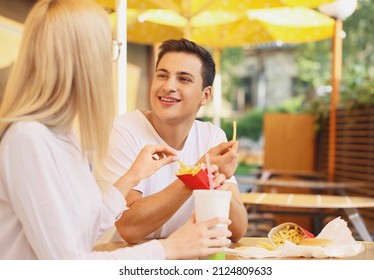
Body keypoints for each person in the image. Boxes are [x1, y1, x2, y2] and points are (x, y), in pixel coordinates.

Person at [0, 0, 232, 260]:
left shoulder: (63, 136)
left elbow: (84, 231)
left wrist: (131, 177)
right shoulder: (28, 139)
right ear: (81, 58)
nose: (110, 60)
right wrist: (169, 248)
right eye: (108, 48)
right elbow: (67, 266)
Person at [95, 38, 248, 244]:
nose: (168, 86)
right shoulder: (123, 131)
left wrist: (222, 187)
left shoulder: (212, 137)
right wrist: (197, 175)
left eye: (183, 79)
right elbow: (130, 228)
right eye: (162, 75)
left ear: (205, 95)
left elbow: (237, 231)